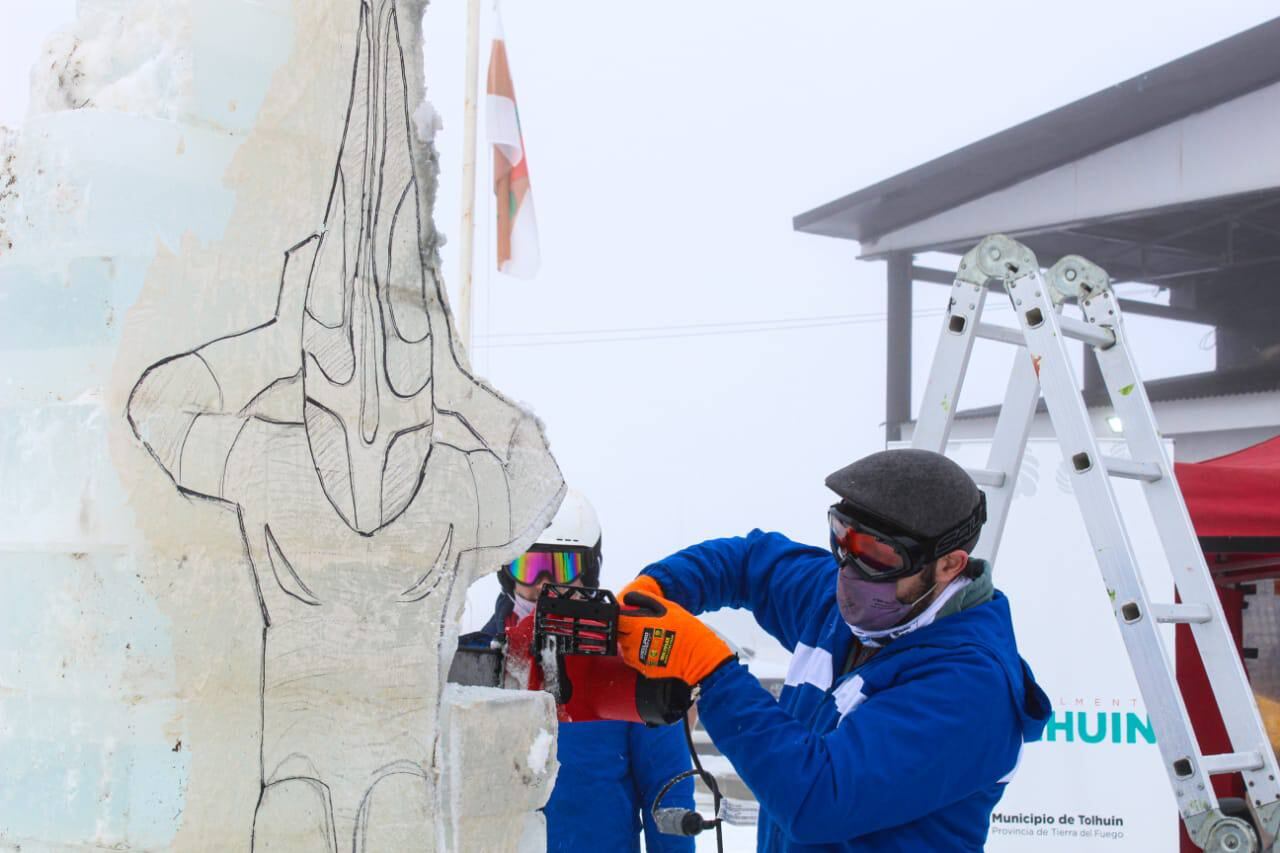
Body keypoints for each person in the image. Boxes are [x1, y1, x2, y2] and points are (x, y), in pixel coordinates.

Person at [614, 449, 1052, 852]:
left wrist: (712, 674)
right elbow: (749, 562)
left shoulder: (971, 688)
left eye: (877, 554)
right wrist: (658, 587)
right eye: (841, 538)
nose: (849, 570)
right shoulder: (844, 606)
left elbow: (818, 798)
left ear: (949, 564)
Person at [465, 490, 696, 853]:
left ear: (587, 572)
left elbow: (667, 789)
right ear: (507, 572)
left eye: (561, 567)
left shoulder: (629, 667)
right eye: (528, 566)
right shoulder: (471, 663)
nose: (543, 583)